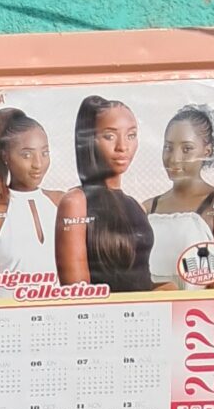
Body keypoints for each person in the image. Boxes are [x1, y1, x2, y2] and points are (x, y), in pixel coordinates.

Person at [57, 95, 155, 291]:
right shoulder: (76, 203)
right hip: (103, 311)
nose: (123, 147)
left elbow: (140, 280)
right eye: (110, 136)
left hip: (144, 310)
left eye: (131, 135)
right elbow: (77, 294)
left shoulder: (137, 206)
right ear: (89, 141)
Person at [145, 104, 214, 289]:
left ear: (207, 151)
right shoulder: (147, 208)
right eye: (168, 147)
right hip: (150, 308)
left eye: (186, 149)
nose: (174, 158)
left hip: (199, 308)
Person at [0, 109, 61, 283]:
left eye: (44, 153)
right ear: (5, 156)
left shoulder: (61, 202)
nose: (38, 164)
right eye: (26, 155)